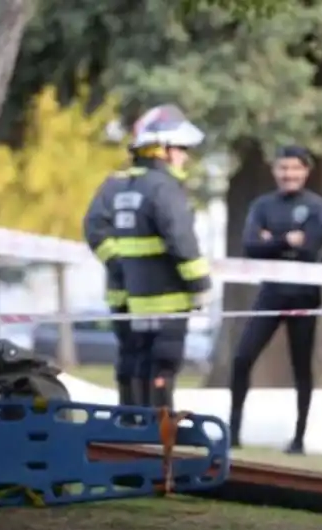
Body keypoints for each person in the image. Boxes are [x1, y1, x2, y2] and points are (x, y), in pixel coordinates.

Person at [228, 145, 322, 453]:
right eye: (283, 168)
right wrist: (287, 240)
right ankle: (233, 433)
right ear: (275, 171)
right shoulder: (263, 205)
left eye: (295, 169)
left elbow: (311, 246)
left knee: (301, 366)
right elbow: (249, 245)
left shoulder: (316, 205)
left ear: (305, 172)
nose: (289, 174)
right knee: (241, 358)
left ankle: (299, 438)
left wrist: (270, 240)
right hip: (271, 293)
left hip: (304, 295)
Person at [110, 104, 213, 411]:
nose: (185, 156)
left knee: (144, 363)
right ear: (162, 150)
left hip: (140, 299)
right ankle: (161, 431)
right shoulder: (164, 188)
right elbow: (182, 240)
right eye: (181, 148)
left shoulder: (129, 186)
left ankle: (141, 427)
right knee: (164, 367)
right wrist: (200, 285)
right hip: (169, 298)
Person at [83, 158, 136, 412]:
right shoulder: (117, 185)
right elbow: (95, 229)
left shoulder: (169, 185)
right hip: (125, 294)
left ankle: (148, 421)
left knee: (157, 363)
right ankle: (129, 417)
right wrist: (120, 265)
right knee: (131, 358)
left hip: (162, 294)